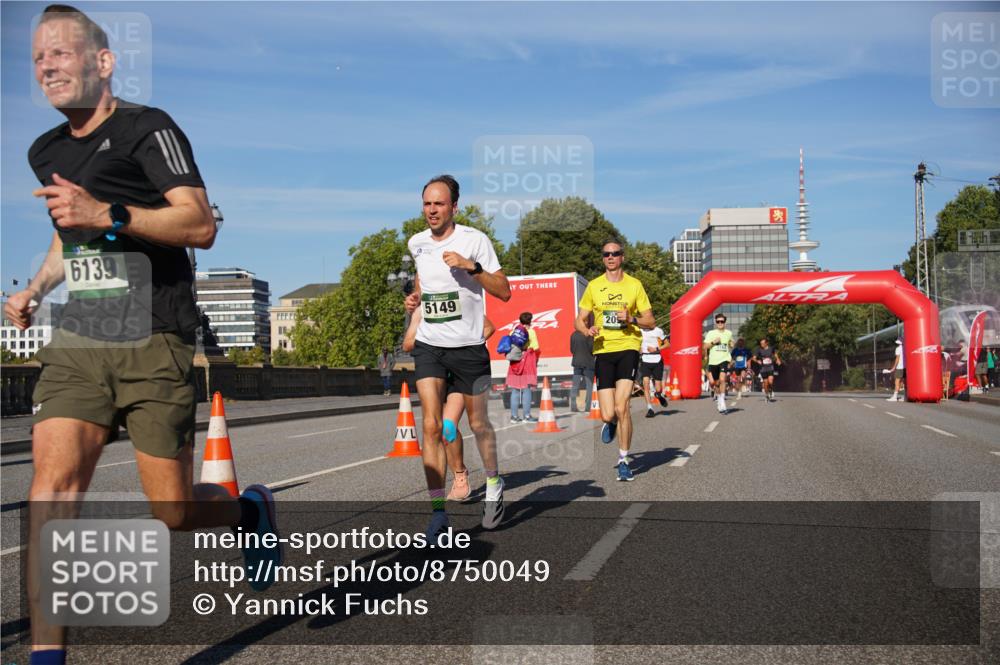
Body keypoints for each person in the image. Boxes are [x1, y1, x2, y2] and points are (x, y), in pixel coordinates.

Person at [7, 7, 280, 664]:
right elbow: (67, 235)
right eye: (38, 57)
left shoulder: (148, 129)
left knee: (175, 513)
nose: (47, 66)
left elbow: (199, 223)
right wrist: (36, 290)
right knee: (51, 489)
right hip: (83, 335)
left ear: (103, 62)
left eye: (62, 53)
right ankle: (48, 657)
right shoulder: (44, 151)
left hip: (155, 334)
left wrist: (110, 211)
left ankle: (249, 510)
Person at [404, 175, 511, 539]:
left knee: (478, 425)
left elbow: (505, 291)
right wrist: (416, 299)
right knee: (431, 426)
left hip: (469, 348)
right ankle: (437, 514)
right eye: (427, 204)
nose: (431, 210)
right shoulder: (416, 243)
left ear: (454, 207)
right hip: (430, 346)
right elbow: (425, 280)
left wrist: (473, 268)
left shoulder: (474, 240)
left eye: (439, 204)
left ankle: (494, 484)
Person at [575, 240, 655, 482]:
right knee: (607, 414)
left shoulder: (634, 285)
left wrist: (631, 318)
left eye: (615, 253)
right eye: (606, 254)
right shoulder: (594, 286)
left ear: (622, 257)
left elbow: (650, 321)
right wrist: (586, 330)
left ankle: (623, 459)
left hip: (628, 348)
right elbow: (580, 319)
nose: (610, 257)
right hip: (603, 351)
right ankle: (609, 423)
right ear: (603, 259)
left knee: (623, 408)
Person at [403, 308, 495, 501]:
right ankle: (455, 474)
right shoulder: (422, 311)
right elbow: (407, 344)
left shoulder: (457, 302)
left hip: (458, 379)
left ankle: (461, 475)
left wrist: (462, 347)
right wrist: (434, 346)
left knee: (448, 427)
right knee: (433, 427)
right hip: (435, 374)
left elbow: (489, 327)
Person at [506, 312, 540, 422]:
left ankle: (514, 416)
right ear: (530, 321)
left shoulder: (513, 332)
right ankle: (527, 416)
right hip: (527, 362)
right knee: (526, 389)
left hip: (515, 363)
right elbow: (535, 347)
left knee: (515, 390)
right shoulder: (531, 332)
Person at [703, 313, 734, 413]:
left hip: (724, 359)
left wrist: (732, 343)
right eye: (718, 321)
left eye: (722, 321)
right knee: (715, 383)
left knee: (722, 379)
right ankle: (719, 397)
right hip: (713, 361)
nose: (720, 323)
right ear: (716, 322)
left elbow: (731, 342)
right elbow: (705, 346)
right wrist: (713, 342)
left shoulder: (728, 333)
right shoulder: (711, 333)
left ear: (725, 322)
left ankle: (722, 400)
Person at [639, 323, 669, 418]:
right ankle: (650, 409)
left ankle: (659, 395)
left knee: (658, 389)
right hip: (645, 359)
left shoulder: (658, 330)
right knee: (646, 384)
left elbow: (668, 344)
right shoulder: (640, 331)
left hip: (657, 360)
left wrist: (656, 349)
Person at [570, 328, 595, 412]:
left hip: (577, 362)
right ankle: (588, 407)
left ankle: (573, 407)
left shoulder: (573, 335)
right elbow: (592, 348)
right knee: (589, 386)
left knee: (575, 386)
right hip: (588, 363)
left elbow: (572, 349)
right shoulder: (589, 334)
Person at [754, 337, 782, 402]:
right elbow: (754, 358)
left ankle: (771, 390)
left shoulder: (771, 348)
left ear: (767, 343)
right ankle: (766, 395)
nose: (762, 345)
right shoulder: (758, 349)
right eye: (761, 343)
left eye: (763, 343)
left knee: (771, 382)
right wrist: (757, 361)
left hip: (770, 367)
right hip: (763, 368)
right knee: (766, 384)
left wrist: (778, 359)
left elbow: (775, 354)